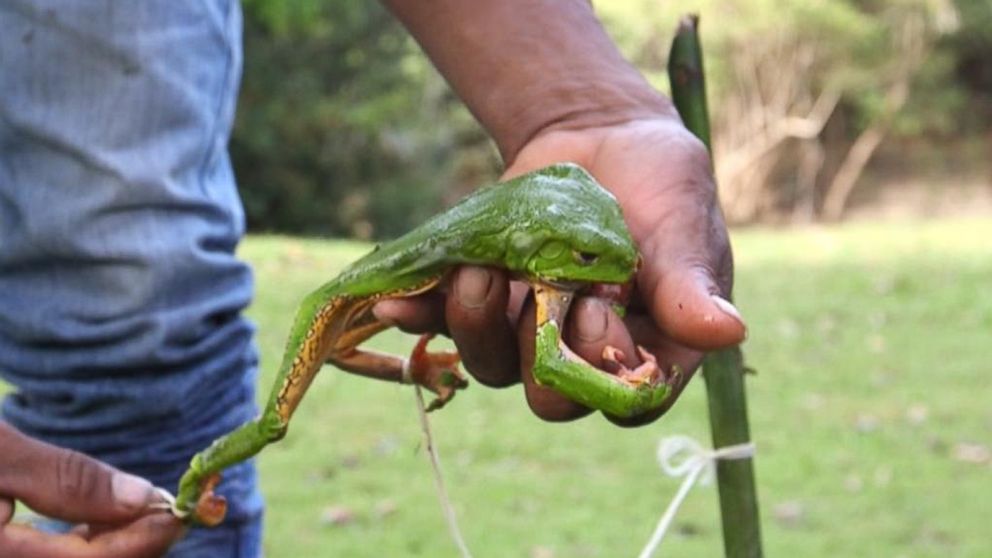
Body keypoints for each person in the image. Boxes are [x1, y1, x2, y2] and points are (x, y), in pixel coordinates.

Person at [0, 1, 746, 556]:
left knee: (140, 325)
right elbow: (551, 358)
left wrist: (590, 103)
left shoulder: (549, 230)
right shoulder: (534, 254)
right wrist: (629, 383)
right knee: (268, 418)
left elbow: (569, 192)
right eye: (587, 257)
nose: (617, 266)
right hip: (341, 301)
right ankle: (195, 476)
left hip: (344, 311)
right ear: (543, 247)